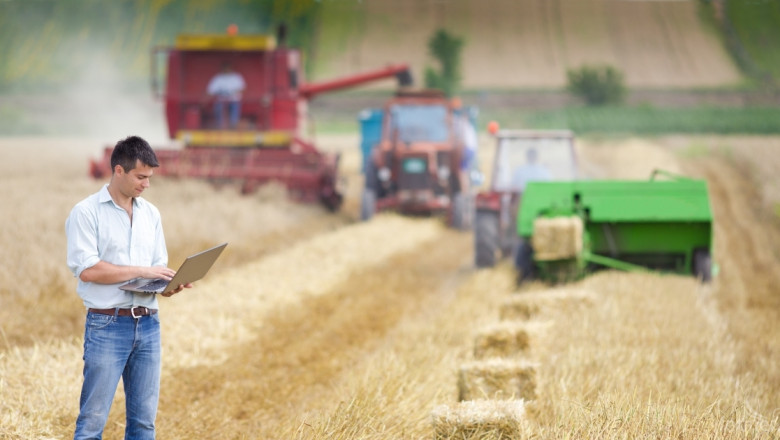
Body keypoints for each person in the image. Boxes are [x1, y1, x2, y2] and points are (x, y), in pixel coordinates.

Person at [66, 136, 191, 439]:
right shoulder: (86, 213)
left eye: (149, 177)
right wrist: (144, 270)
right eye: (141, 177)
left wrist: (166, 286)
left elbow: (156, 266)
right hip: (107, 324)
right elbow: (89, 270)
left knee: (144, 425)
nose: (146, 184)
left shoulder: (151, 214)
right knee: (92, 424)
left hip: (149, 324)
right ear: (119, 170)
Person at [206, 62, 246, 128]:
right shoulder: (218, 78)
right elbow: (210, 91)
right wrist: (220, 92)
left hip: (234, 100)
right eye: (225, 68)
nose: (227, 70)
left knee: (235, 107)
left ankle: (233, 125)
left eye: (228, 68)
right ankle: (220, 125)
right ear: (222, 69)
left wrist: (233, 92)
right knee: (218, 108)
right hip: (221, 100)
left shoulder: (236, 77)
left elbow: (243, 89)